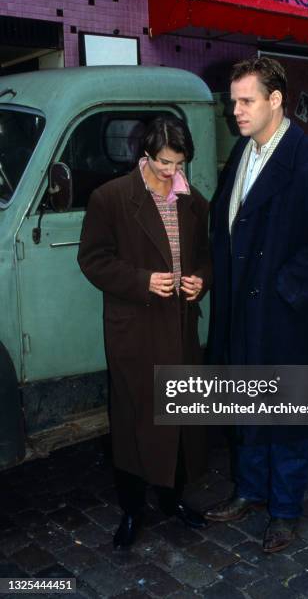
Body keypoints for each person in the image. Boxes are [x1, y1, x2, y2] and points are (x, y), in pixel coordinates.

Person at [206, 56, 308, 553]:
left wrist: (284, 291)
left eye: (246, 101)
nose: (236, 112)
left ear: (275, 100)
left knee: (285, 416)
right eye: (233, 102)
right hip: (242, 313)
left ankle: (285, 511)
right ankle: (249, 490)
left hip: (285, 316)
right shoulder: (242, 155)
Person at [78, 114, 210, 549]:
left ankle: (173, 500)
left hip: (180, 326)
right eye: (165, 163)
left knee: (179, 420)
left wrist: (200, 281)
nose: (173, 172)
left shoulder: (195, 202)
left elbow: (207, 258)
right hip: (135, 329)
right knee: (135, 422)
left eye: (179, 163)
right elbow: (93, 260)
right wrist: (142, 281)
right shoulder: (111, 198)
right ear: (146, 155)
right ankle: (132, 511)